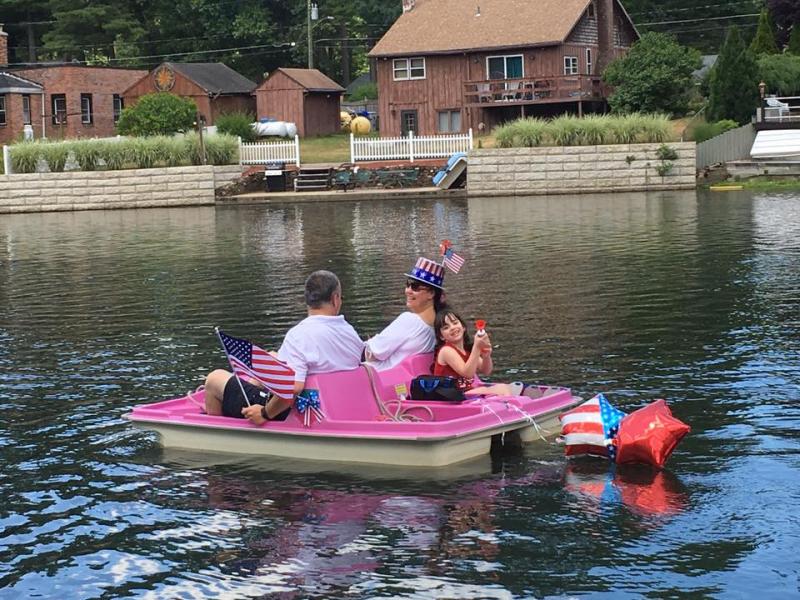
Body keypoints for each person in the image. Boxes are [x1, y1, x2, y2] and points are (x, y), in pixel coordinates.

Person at [203, 270, 364, 424]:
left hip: (294, 411)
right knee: (273, 356)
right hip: (335, 404)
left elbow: (292, 389)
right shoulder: (350, 333)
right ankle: (249, 388)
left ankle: (222, 433)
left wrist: (264, 413)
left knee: (214, 379)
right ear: (335, 299)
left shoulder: (299, 335)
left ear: (307, 300)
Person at [363, 257, 449, 371]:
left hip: (382, 379)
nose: (408, 290)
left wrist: (371, 344)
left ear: (431, 293)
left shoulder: (409, 321)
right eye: (408, 284)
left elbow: (374, 352)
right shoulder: (439, 328)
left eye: (415, 287)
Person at [433, 308, 519, 397]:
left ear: (463, 327)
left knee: (502, 387)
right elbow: (467, 374)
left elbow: (486, 371)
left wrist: (486, 356)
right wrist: (476, 348)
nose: (453, 328)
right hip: (449, 396)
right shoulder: (446, 351)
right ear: (441, 337)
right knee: (498, 389)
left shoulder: (467, 351)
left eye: (455, 323)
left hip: (463, 393)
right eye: (446, 327)